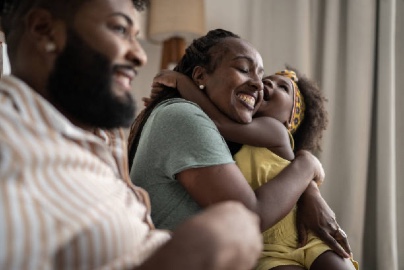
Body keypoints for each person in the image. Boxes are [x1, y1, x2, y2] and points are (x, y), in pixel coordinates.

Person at [0, 0, 267, 269]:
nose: (140, 56)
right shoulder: (10, 145)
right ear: (44, 30)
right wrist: (192, 252)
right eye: (119, 29)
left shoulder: (96, 137)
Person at [127, 28, 353, 267]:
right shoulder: (185, 116)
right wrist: (307, 163)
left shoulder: (237, 136)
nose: (259, 85)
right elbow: (249, 218)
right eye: (244, 70)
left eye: (260, 74)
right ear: (200, 76)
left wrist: (309, 190)